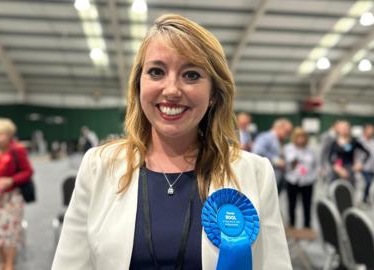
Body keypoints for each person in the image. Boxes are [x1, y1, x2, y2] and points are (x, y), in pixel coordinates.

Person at [52, 14, 291, 270]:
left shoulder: (254, 172)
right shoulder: (98, 166)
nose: (172, 90)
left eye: (191, 75)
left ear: (213, 94)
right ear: (138, 85)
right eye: (156, 72)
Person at [0, 118, 33, 270]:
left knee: (10, 233)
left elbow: (28, 172)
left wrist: (11, 180)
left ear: (9, 135)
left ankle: (9, 263)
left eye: (0, 134)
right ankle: (3, 259)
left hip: (12, 198)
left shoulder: (18, 150)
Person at [284, 127, 318, 228]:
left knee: (307, 205)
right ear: (294, 138)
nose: (301, 139)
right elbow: (289, 163)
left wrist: (314, 176)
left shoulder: (311, 150)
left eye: (303, 137)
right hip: (292, 180)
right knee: (292, 205)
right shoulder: (288, 148)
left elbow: (315, 164)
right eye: (298, 137)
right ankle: (291, 224)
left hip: (307, 181)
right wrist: (295, 160)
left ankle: (307, 225)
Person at [252, 118, 293, 193]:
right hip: (266, 179)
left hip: (277, 178)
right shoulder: (266, 137)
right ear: (279, 128)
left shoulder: (280, 140)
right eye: (287, 131)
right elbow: (257, 151)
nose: (288, 135)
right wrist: (276, 161)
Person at [358, 124, 374, 202]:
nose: (372, 131)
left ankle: (366, 198)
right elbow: (356, 154)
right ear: (365, 130)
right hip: (362, 167)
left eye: (373, 130)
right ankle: (363, 199)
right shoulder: (359, 141)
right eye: (370, 130)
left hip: (372, 167)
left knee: (370, 183)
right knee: (368, 182)